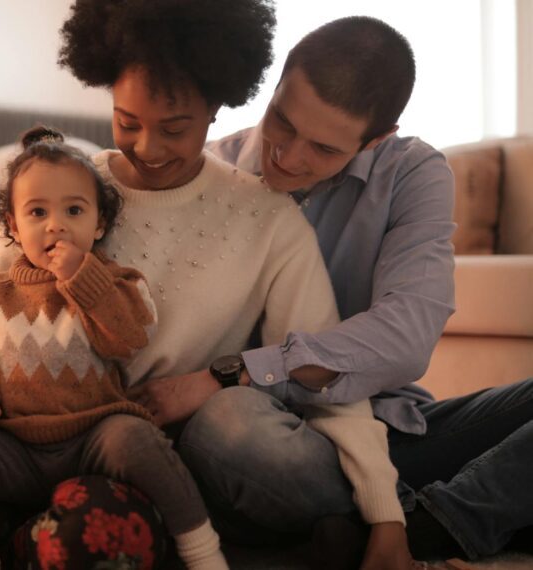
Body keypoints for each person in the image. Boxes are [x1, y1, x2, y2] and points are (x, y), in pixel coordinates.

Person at [0, 2, 418, 568]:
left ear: (216, 107)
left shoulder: (270, 220)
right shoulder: (64, 189)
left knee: (80, 543)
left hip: (144, 463)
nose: (148, 147)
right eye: (126, 121)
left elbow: (321, 375)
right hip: (18, 440)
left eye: (175, 128)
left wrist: (386, 517)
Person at [121, 15, 533, 563]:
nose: (288, 158)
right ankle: (477, 509)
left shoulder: (410, 173)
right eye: (282, 123)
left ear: (375, 139)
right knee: (230, 426)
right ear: (274, 88)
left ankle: (429, 524)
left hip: (391, 437)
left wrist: (235, 371)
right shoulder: (206, 170)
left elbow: (408, 336)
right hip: (253, 443)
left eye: (323, 148)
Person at [0, 125, 229, 570]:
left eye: (74, 210)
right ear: (12, 224)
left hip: (94, 436)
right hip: (15, 442)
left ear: (100, 222)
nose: (56, 225)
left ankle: (203, 552)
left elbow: (127, 337)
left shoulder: (116, 282)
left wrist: (80, 277)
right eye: (36, 213)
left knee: (138, 437)